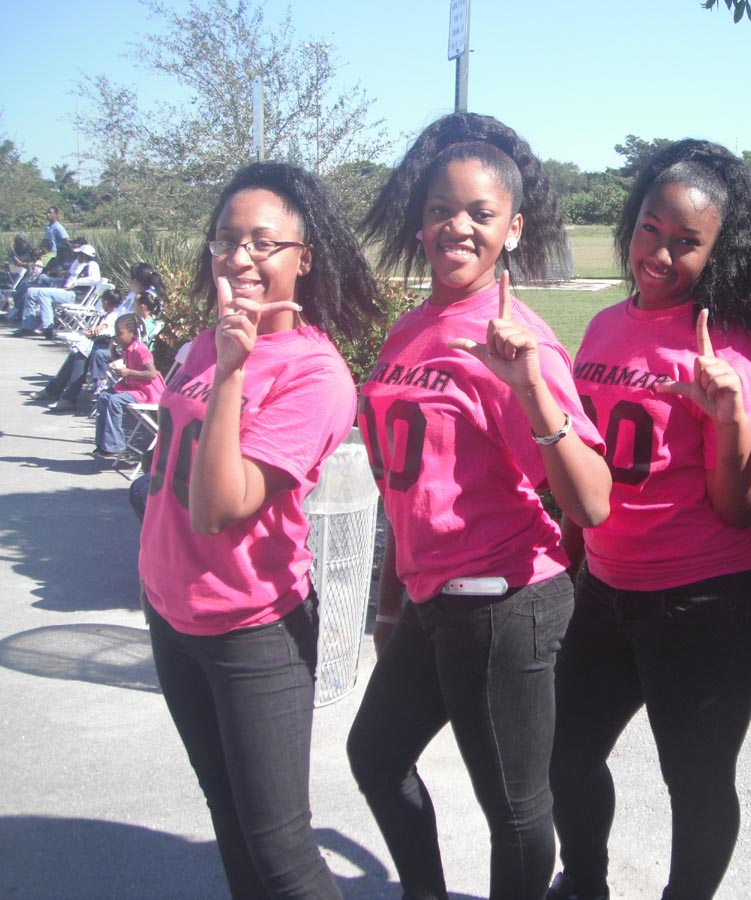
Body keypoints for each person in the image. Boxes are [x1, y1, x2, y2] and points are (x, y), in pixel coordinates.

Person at [346, 111, 611, 900]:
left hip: (503, 603)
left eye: (479, 212)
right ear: (419, 221)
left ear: (512, 229)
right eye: (440, 209)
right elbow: (406, 488)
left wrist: (528, 389)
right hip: (434, 601)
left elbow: (592, 501)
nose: (456, 226)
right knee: (376, 755)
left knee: (515, 810)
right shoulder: (410, 328)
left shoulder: (518, 342)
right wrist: (390, 602)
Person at [545, 139, 751, 900]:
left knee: (696, 780)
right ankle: (584, 884)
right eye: (651, 228)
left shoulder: (729, 352)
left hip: (706, 603)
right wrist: (571, 559)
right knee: (563, 754)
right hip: (607, 590)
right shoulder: (603, 328)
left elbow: (743, 507)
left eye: (687, 241)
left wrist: (728, 418)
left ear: (717, 253)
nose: (660, 253)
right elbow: (589, 463)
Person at [138, 161, 381, 898]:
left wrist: (234, 372)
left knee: (282, 853)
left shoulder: (313, 374)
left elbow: (218, 507)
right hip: (171, 614)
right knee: (228, 813)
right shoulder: (207, 341)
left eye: (263, 242)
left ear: (304, 258)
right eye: (226, 239)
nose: (239, 257)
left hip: (252, 633)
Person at [32, 288, 123, 411]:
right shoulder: (113, 313)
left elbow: (108, 327)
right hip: (103, 343)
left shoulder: (116, 314)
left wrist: (94, 332)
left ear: (106, 302)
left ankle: (66, 396)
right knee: (77, 353)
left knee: (81, 356)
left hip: (110, 347)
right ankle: (57, 392)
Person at [92, 312, 165, 459]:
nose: (117, 337)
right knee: (104, 396)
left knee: (115, 401)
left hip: (146, 391)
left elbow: (152, 374)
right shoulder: (127, 348)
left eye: (120, 334)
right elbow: (119, 361)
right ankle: (103, 443)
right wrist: (112, 350)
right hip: (132, 386)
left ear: (133, 334)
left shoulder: (140, 349)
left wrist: (129, 372)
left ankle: (115, 445)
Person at [16, 242, 102, 338]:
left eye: (79, 254)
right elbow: (72, 273)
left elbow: (96, 279)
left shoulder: (92, 265)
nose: (77, 255)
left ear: (85, 255)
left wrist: (77, 282)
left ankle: (48, 328)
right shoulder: (78, 263)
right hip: (64, 290)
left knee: (44, 294)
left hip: (75, 294)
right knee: (31, 291)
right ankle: (27, 327)